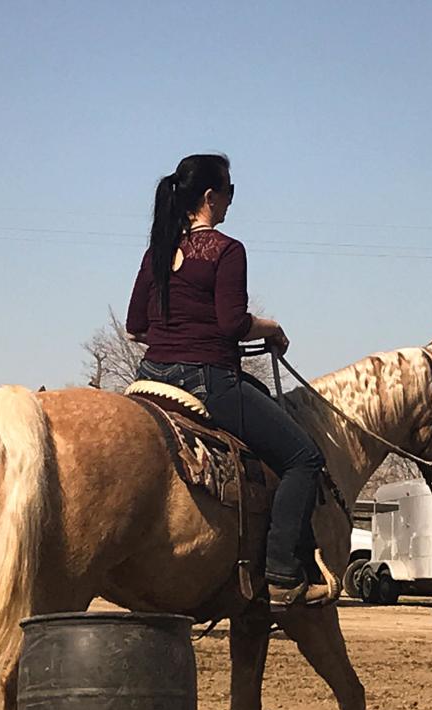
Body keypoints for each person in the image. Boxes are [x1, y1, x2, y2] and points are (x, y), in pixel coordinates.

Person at [126, 155, 328, 608]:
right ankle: (282, 572)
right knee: (303, 458)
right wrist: (273, 328)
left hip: (150, 380)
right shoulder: (226, 250)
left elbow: (135, 327)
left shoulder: (156, 253)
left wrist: (172, 335)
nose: (232, 200)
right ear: (210, 197)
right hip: (206, 382)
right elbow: (233, 324)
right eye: (230, 191)